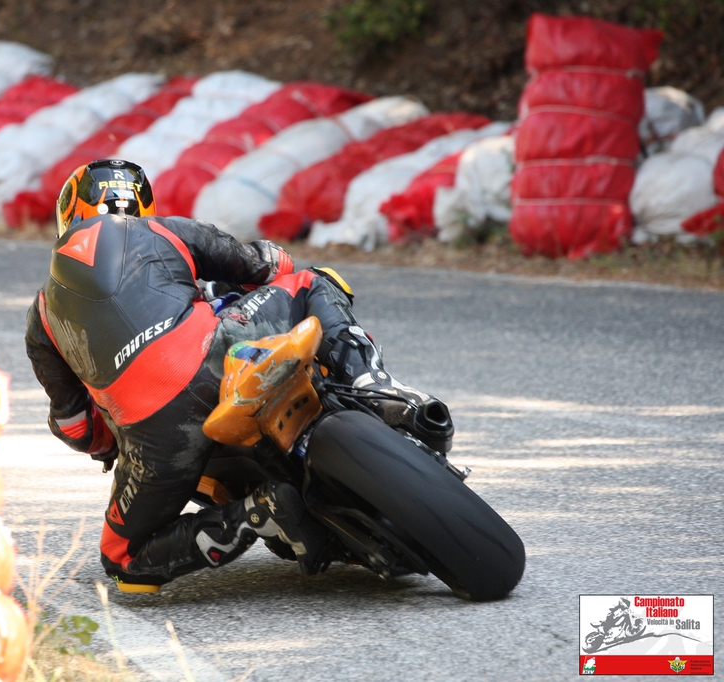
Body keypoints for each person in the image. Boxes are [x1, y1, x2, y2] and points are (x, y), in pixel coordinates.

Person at [25, 159, 454, 592]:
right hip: (219, 358)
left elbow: (75, 426)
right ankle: (372, 385)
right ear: (143, 205)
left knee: (123, 560)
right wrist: (264, 263)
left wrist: (110, 444)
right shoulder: (165, 231)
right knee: (312, 282)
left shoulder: (42, 316)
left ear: (69, 215)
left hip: (156, 437)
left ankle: (254, 514)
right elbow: (267, 265)